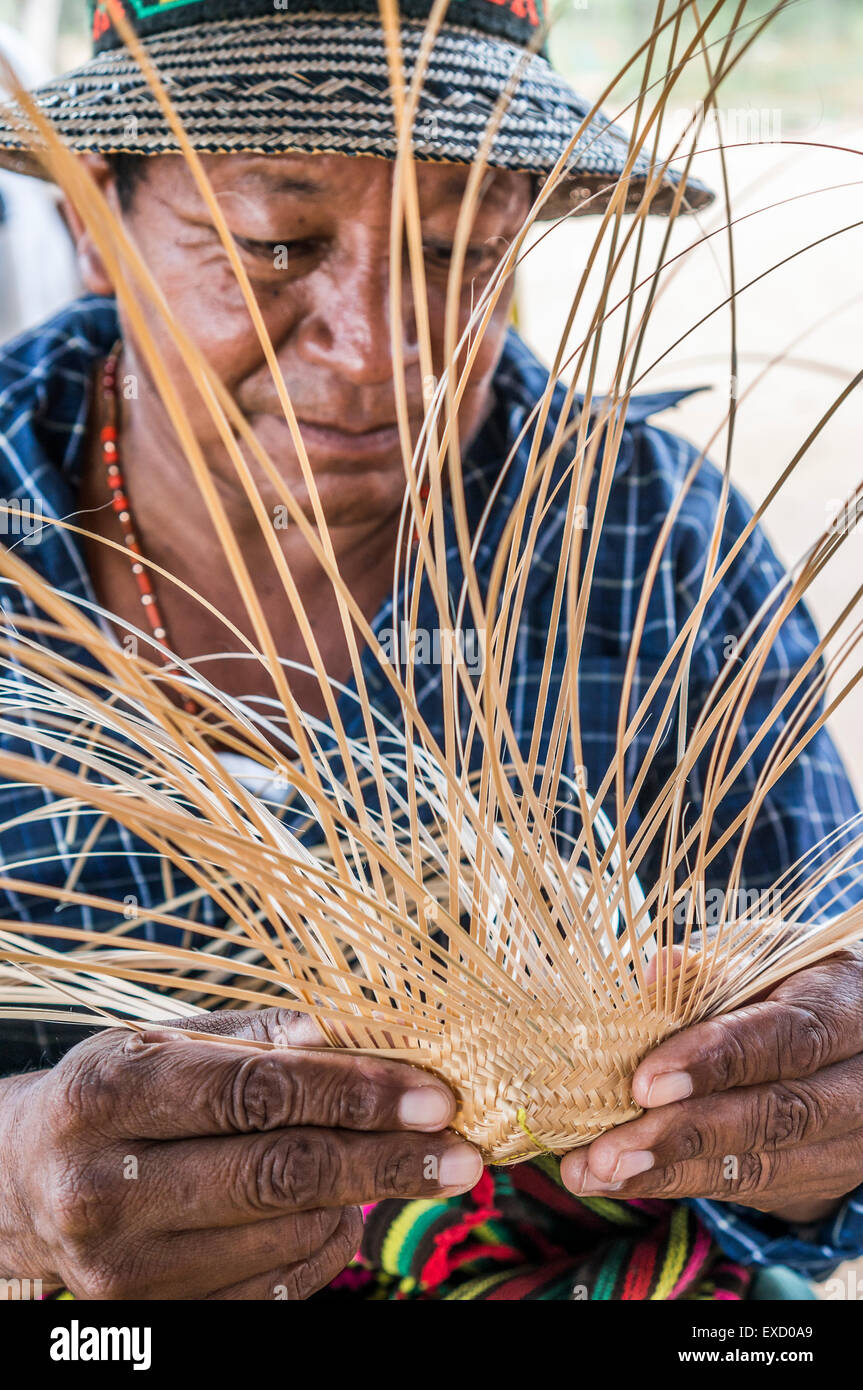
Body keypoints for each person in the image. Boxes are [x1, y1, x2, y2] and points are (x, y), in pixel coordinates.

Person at [0, 0, 860, 1301]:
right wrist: (14, 1183)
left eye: (461, 252)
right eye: (276, 245)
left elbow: (820, 1016)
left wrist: (810, 1136)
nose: (378, 350)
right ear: (96, 224)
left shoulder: (652, 533)